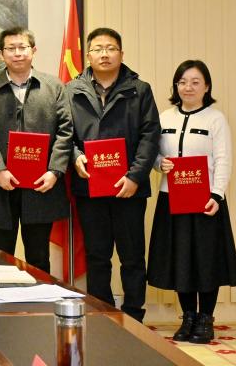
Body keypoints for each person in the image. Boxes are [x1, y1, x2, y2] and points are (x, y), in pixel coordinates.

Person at [66, 27, 160, 322]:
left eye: (110, 48)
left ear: (121, 53)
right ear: (88, 55)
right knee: (97, 256)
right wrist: (75, 156)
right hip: (89, 187)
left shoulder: (139, 90)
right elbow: (64, 133)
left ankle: (134, 315)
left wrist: (135, 177)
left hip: (129, 188)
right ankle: (101, 313)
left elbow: (150, 136)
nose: (104, 54)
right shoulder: (71, 90)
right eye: (98, 49)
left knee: (132, 257)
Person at [147, 60, 236, 344]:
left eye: (195, 82)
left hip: (205, 200)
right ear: (176, 86)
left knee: (206, 260)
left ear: (206, 87)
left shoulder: (215, 119)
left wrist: (217, 195)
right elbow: (152, 152)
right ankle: (188, 317)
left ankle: (205, 319)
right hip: (171, 198)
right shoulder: (165, 117)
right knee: (180, 259)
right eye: (182, 82)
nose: (188, 87)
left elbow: (223, 159)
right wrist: (159, 163)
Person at [0, 27, 73, 273]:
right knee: (0, 257)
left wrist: (54, 171)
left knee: (39, 258)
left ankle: (40, 299)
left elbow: (65, 131)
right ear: (1, 54)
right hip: (0, 186)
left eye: (23, 47)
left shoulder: (53, 87)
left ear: (33, 50)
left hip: (41, 186)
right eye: (11, 48)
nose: (17, 53)